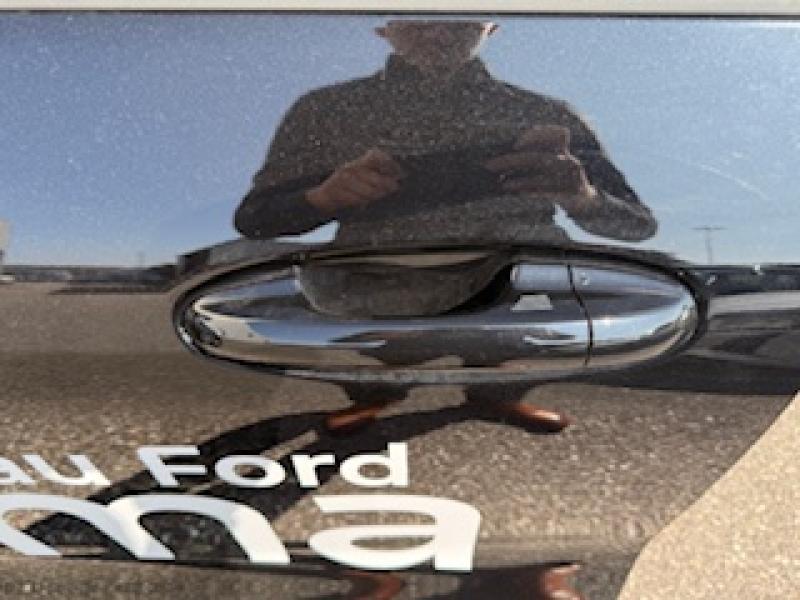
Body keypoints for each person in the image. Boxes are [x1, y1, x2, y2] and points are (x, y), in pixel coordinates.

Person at [235, 20, 657, 435]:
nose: (438, 33)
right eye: (417, 18)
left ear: (490, 26)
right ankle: (372, 399)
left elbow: (637, 225)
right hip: (378, 285)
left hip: (513, 289)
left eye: (460, 19)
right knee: (375, 375)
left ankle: (499, 394)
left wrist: (582, 196)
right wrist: (325, 197)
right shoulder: (326, 109)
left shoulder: (545, 113)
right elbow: (256, 219)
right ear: (383, 25)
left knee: (508, 353)